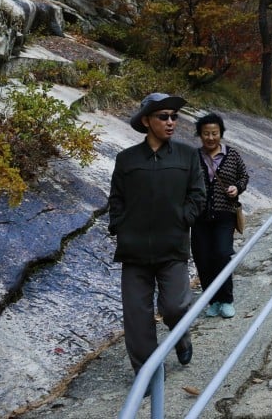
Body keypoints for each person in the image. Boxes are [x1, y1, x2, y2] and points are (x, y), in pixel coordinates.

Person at [108, 92, 206, 377]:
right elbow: (117, 198)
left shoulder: (188, 156)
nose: (171, 122)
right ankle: (148, 375)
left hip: (172, 247)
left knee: (175, 307)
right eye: (163, 116)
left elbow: (198, 196)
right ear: (146, 121)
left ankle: (181, 335)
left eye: (174, 116)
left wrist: (181, 220)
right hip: (134, 251)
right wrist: (120, 225)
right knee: (137, 319)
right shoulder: (126, 159)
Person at [192, 113, 249, 319]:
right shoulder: (193, 156)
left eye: (214, 133)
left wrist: (237, 187)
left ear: (221, 133)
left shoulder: (231, 155)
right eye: (206, 133)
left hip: (225, 214)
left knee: (222, 254)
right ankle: (213, 300)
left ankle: (226, 299)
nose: (210, 137)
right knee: (202, 258)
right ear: (200, 134)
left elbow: (244, 176)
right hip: (199, 216)